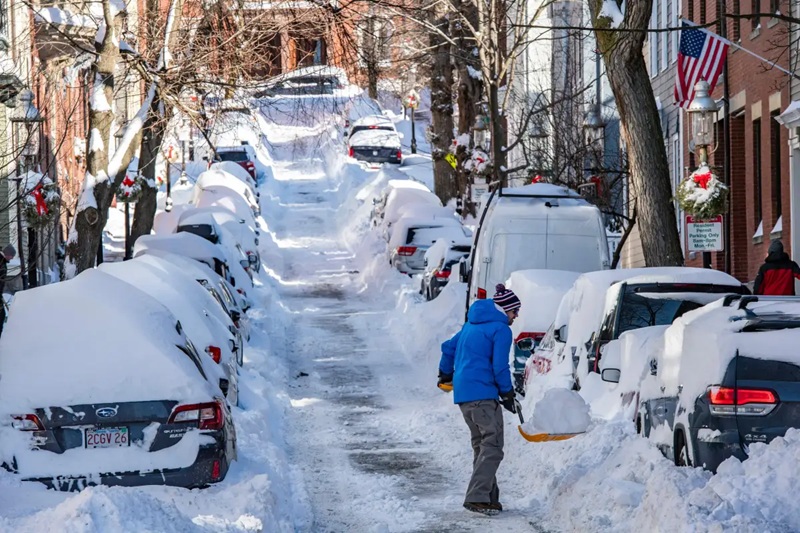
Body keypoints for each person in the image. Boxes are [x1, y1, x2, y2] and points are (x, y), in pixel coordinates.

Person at [438, 283, 520, 516]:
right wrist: (507, 392)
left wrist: (445, 373)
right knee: (493, 446)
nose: (516, 316)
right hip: (483, 394)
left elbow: (447, 348)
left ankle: (488, 497)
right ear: (505, 310)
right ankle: (476, 496)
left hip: (464, 396)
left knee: (482, 446)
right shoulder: (501, 330)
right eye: (515, 311)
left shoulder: (470, 325)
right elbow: (499, 366)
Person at [0, 245, 16, 337]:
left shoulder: (2, 261)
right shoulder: (1, 262)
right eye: (12, 256)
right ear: (8, 254)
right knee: (1, 316)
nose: (12, 258)